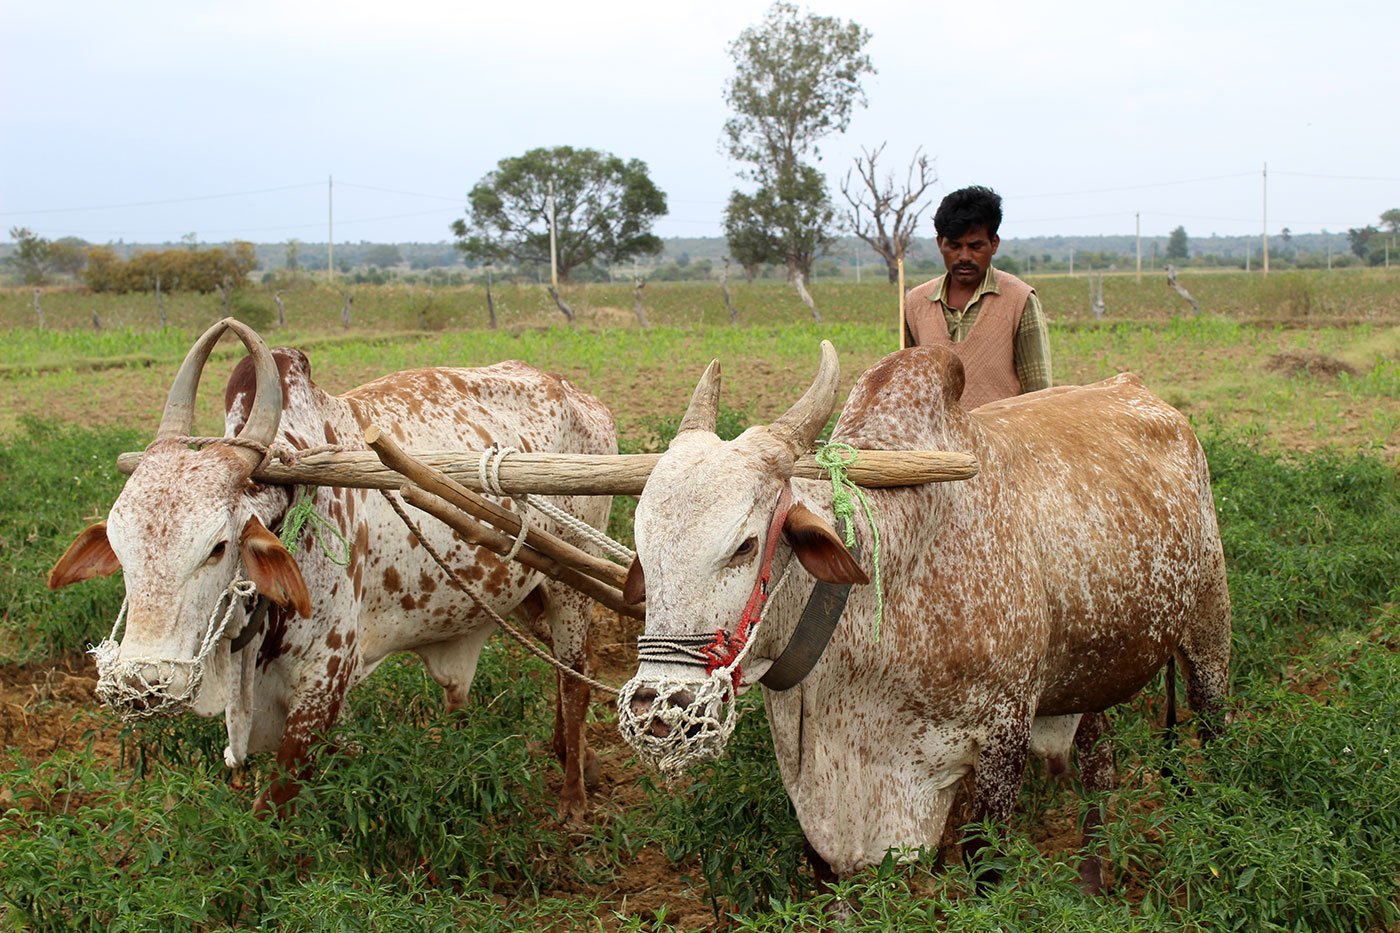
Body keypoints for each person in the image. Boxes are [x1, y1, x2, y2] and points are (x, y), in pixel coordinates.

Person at [904, 185, 1052, 409]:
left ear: (994, 244)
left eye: (975, 246)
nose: (964, 256)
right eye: (954, 246)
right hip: (934, 443)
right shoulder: (916, 303)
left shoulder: (1020, 300)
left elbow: (1039, 391)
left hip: (1003, 439)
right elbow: (910, 383)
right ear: (939, 243)